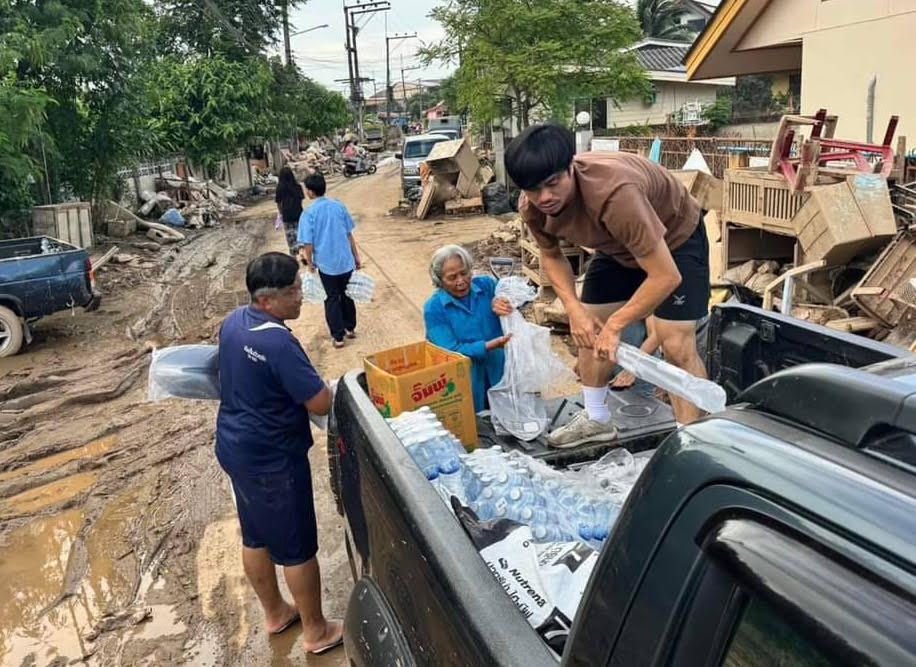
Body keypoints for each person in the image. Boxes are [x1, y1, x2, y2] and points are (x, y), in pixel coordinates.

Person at [506, 123, 710, 448]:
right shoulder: (532, 206)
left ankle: (695, 443)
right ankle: (596, 418)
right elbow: (551, 255)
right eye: (532, 189)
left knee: (675, 345)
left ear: (570, 168)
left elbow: (665, 276)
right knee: (589, 330)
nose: (544, 197)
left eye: (552, 183)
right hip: (616, 248)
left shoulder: (615, 194)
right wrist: (574, 311)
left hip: (674, 241)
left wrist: (615, 326)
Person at [215, 252, 343, 655]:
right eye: (294, 291)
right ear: (268, 300)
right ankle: (317, 631)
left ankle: (275, 613)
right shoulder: (278, 342)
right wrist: (330, 387)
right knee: (297, 546)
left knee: (256, 535)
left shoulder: (235, 320)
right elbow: (320, 403)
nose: (301, 296)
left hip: (236, 446)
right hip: (274, 457)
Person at [423, 245, 512, 413]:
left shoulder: (487, 286)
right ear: (439, 280)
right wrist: (487, 346)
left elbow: (517, 297)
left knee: (507, 416)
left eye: (464, 273)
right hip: (466, 380)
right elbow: (450, 351)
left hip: (499, 370)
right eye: (452, 277)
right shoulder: (434, 308)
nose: (461, 281)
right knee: (476, 426)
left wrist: (504, 301)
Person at [297, 173, 361, 348]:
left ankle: (338, 336)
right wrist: (356, 257)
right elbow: (349, 234)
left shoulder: (308, 214)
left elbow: (308, 243)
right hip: (345, 260)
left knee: (331, 298)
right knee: (347, 295)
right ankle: (350, 328)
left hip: (326, 264)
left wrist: (309, 263)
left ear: (310, 192)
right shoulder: (339, 207)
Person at [274, 167, 304, 255]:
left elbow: (278, 202)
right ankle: (302, 253)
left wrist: (281, 212)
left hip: (287, 215)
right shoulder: (298, 186)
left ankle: (294, 255)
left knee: (290, 235)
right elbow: (301, 199)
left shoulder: (280, 188)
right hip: (299, 213)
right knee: (300, 233)